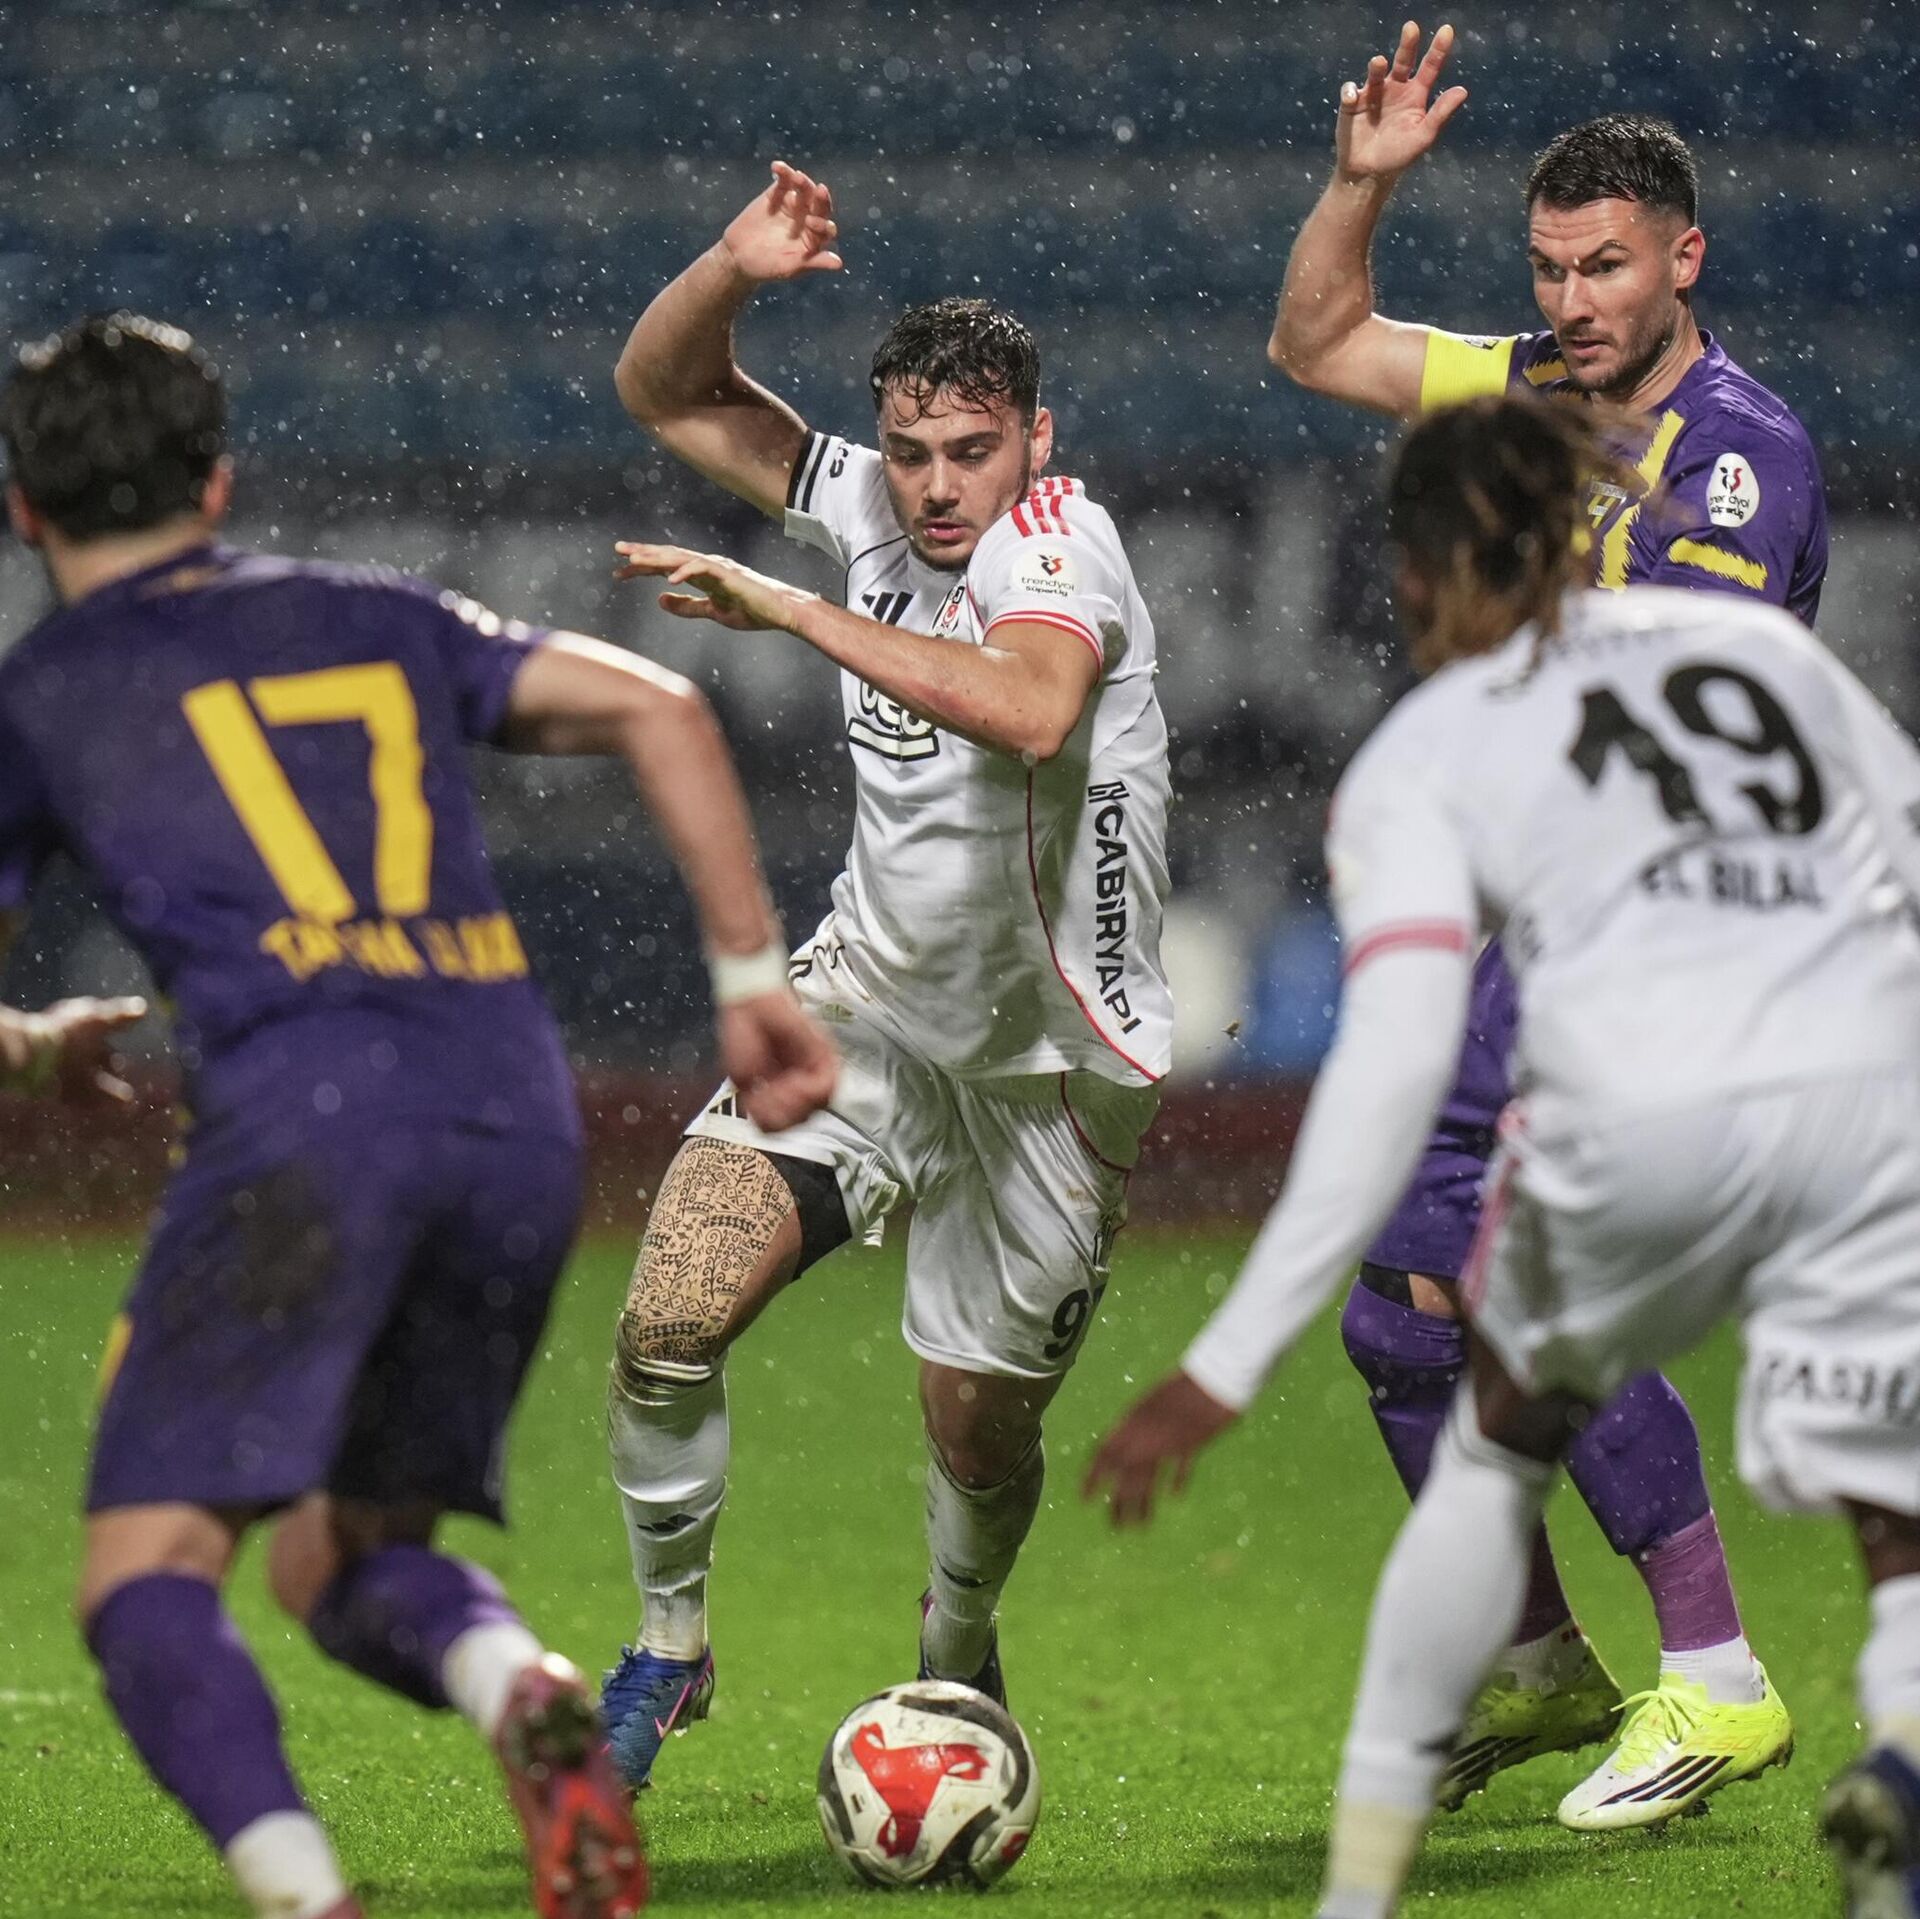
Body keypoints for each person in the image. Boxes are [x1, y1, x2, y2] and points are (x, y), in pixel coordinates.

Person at [0, 313, 837, 1919]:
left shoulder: (44, 693)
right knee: (342, 1557)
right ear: (217, 480)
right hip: (511, 1116)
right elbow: (665, 709)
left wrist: (35, 1047)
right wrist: (751, 983)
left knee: (144, 1583)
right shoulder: (376, 612)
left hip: (305, 1122)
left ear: (23, 508)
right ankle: (521, 1687)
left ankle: (308, 1897)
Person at [1088, 393, 1920, 1919]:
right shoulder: (1755, 654)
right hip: (1867, 1102)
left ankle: (1386, 1874)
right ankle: (1883, 1758)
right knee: (1886, 1497)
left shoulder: (1430, 753)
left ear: (1415, 576)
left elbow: (1391, 1073)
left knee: (1496, 1424)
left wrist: (1224, 1358)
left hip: (1654, 1121)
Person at [1260, 28, 1824, 1823]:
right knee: (1399, 1311)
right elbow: (1319, 344)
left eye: (1607, 267)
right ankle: (1536, 1661)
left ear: (1684, 261)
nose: (1573, 302)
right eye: (1550, 269)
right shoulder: (1529, 384)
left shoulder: (1735, 463)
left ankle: (1717, 1677)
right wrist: (1361, 186)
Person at [594, 162, 1172, 1789]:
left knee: (978, 1436)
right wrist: (731, 265)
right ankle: (667, 1650)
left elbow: (1031, 709)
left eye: (971, 450)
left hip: (1053, 1073)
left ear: (1035, 440)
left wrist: (791, 610)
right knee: (665, 1322)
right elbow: (663, 390)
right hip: (865, 1017)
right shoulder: (863, 505)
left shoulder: (1063, 546)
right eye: (910, 452)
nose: (934, 486)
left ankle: (954, 1654)